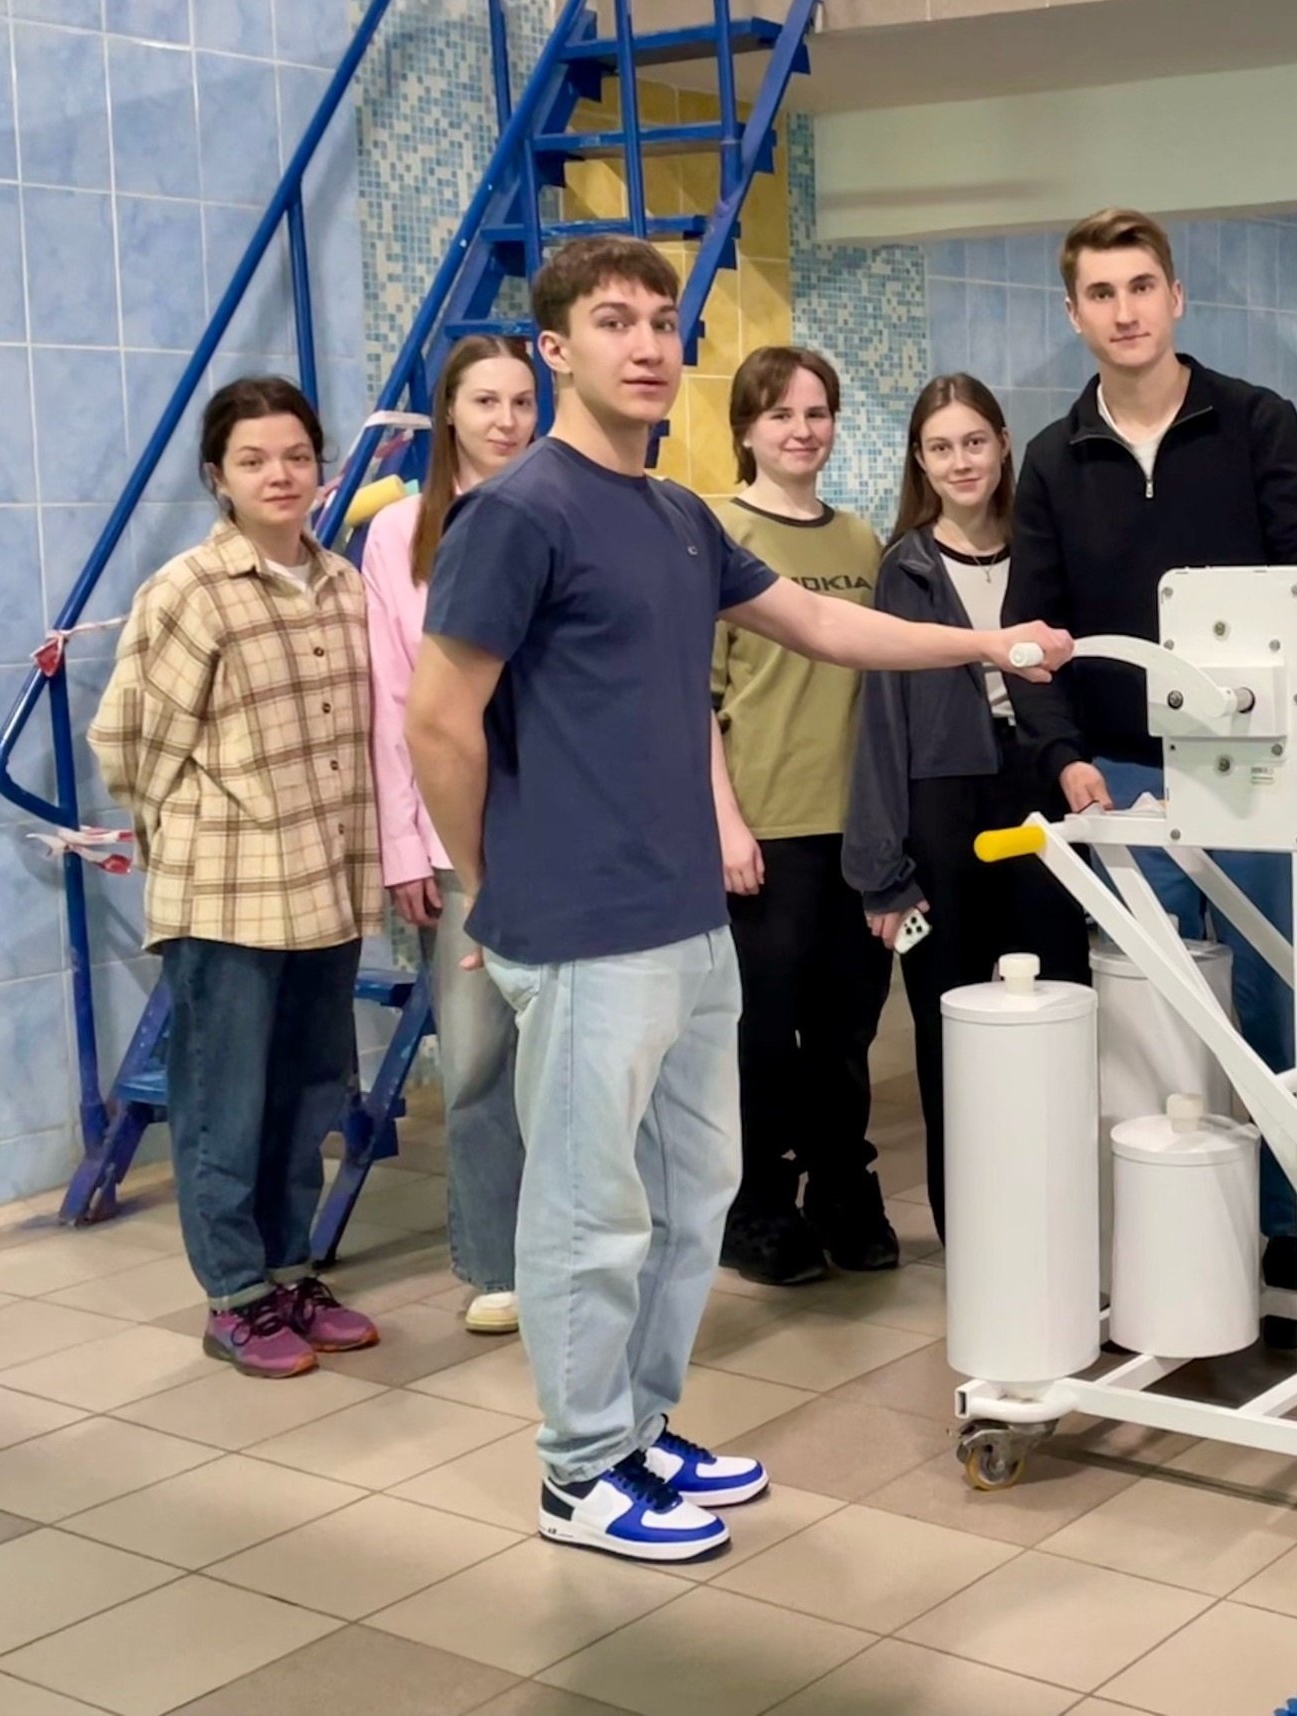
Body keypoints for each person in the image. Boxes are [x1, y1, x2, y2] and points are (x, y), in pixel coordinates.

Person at [405, 236, 1069, 1564]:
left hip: (686, 916)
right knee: (588, 1209)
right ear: (557, 350)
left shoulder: (674, 515)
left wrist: (987, 642)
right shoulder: (519, 512)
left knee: (689, 1191)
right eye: (614, 322)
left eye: (663, 321)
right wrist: (492, 882)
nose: (648, 344)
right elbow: (437, 719)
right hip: (580, 923)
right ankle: (577, 1470)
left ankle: (640, 1427)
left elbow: (823, 627)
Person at [1002, 207, 1297, 1342]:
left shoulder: (1254, 421)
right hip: (1121, 780)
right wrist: (1064, 759)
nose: (1125, 311)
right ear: (1074, 313)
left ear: (1176, 297)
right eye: (1101, 294)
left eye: (1141, 287)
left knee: (1279, 1010)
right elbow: (1031, 633)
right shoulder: (1052, 458)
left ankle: (1289, 1244)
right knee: (1154, 1025)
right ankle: (1170, 1247)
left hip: (1253, 772)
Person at [90, 376, 385, 1379]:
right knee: (226, 1102)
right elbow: (128, 742)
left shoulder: (344, 585)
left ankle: (290, 1272)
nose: (279, 476)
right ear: (218, 476)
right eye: (254, 461)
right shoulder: (190, 591)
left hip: (327, 886)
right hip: (227, 894)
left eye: (296, 457)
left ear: (320, 467)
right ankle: (236, 1295)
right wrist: (192, 834)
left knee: (309, 1092)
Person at [845, 374, 1091, 1239]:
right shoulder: (905, 567)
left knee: (1055, 1005)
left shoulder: (1041, 549)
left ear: (1003, 445)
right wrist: (881, 869)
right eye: (940, 447)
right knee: (951, 1024)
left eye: (974, 442)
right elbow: (880, 720)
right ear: (920, 461)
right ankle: (974, 1233)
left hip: (1041, 791)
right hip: (942, 808)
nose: (960, 462)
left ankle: (1056, 1219)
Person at [708, 345, 899, 1286]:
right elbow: (690, 696)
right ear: (745, 428)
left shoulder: (861, 542)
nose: (801, 431)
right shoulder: (716, 532)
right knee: (760, 1034)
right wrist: (723, 823)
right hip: (763, 827)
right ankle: (753, 1204)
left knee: (845, 1030)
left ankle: (839, 1186)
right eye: (779, 413)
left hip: (853, 830)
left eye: (816, 413)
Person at [362, 333, 537, 1336]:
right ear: (449, 415)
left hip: (561, 823)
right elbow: (397, 701)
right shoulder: (400, 535)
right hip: (456, 832)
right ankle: (494, 1261)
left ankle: (579, 1252)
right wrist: (405, 845)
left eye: (522, 401)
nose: (506, 420)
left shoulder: (558, 510)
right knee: (476, 1059)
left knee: (581, 1056)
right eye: (485, 401)